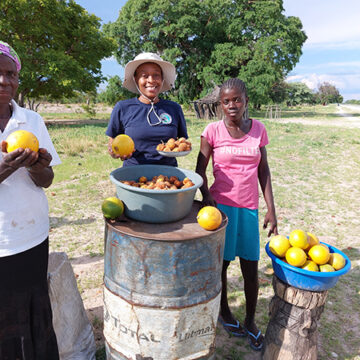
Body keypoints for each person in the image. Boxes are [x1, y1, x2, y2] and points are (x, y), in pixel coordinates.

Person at [195, 78, 278, 351]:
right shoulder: (212, 131)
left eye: (237, 100)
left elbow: (263, 171)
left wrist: (272, 209)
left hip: (249, 209)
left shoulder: (258, 130)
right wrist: (208, 199)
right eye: (226, 101)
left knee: (251, 267)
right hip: (222, 210)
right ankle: (225, 312)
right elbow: (199, 172)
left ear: (245, 100)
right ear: (220, 104)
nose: (232, 105)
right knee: (222, 265)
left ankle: (252, 322)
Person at [0, 41, 60, 359]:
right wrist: (2, 170)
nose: (3, 81)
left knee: (35, 312)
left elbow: (46, 181)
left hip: (33, 236)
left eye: (10, 74)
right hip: (2, 242)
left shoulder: (31, 121)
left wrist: (39, 168)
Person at [106, 52, 188, 167]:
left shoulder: (174, 108)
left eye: (156, 75)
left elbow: (181, 141)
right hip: (133, 177)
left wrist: (181, 147)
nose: (151, 80)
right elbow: (112, 142)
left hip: (169, 178)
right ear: (136, 79)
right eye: (144, 76)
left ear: (162, 79)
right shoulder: (123, 108)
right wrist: (114, 152)